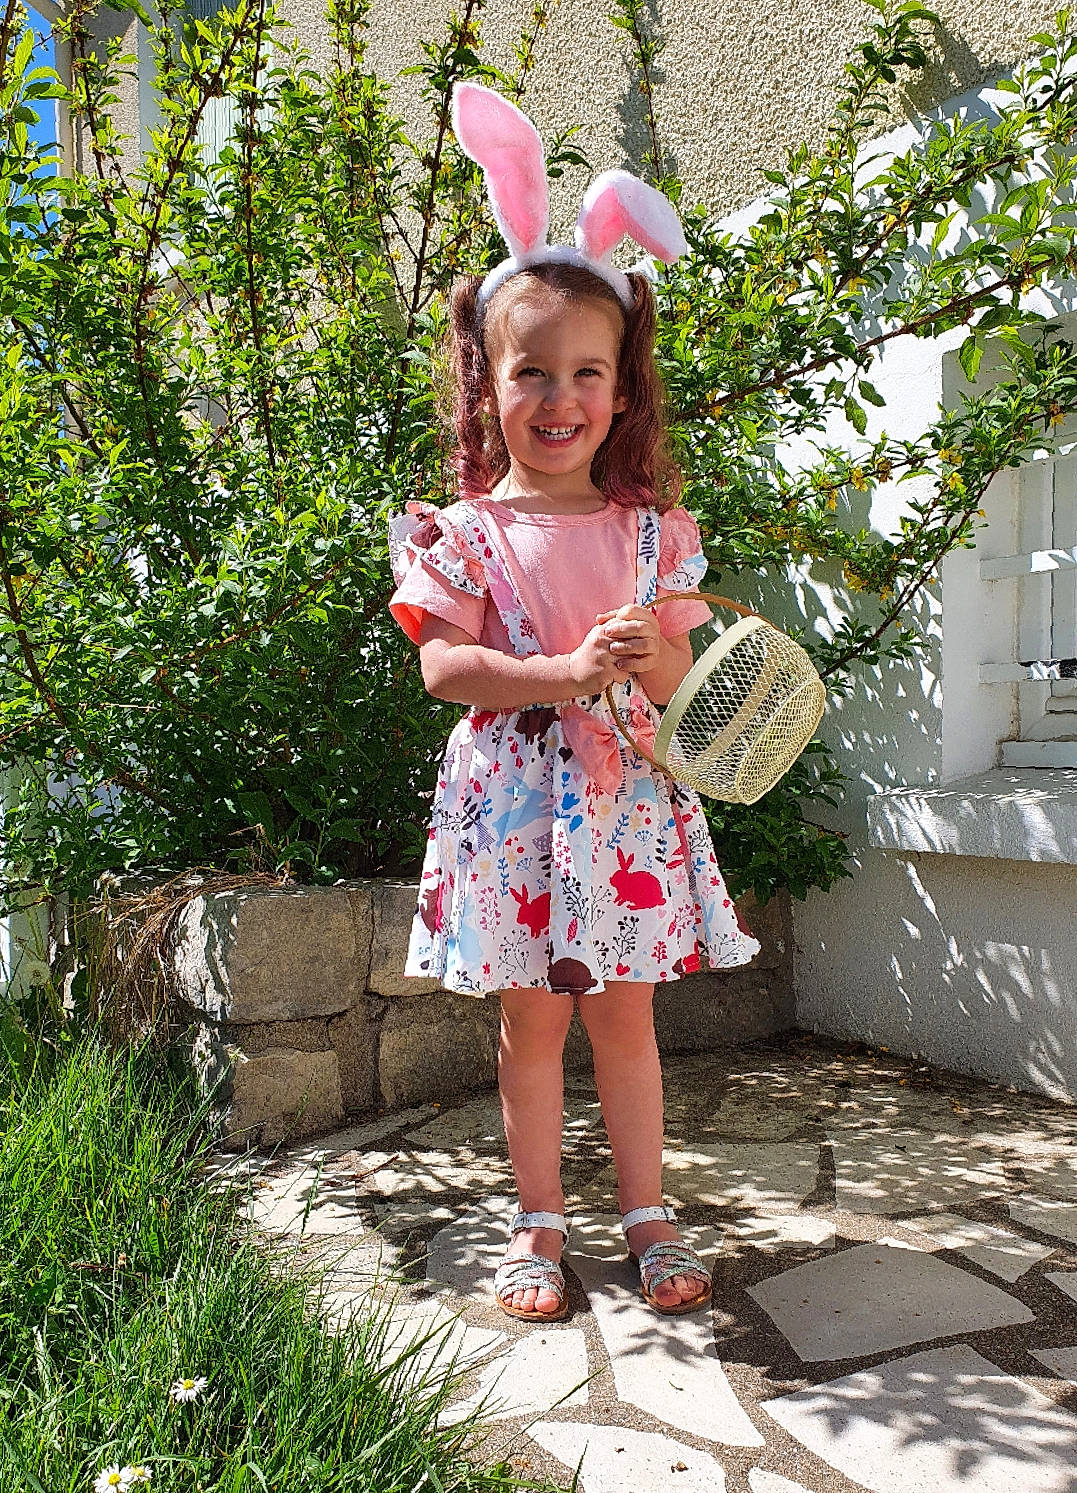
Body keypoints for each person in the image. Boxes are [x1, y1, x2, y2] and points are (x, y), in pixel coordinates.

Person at [388, 82, 760, 1322]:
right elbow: (448, 666)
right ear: (486, 383)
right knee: (534, 1030)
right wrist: (560, 673)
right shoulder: (463, 533)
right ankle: (538, 1224)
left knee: (628, 1025)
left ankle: (648, 1214)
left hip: (632, 815)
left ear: (621, 385)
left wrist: (646, 648)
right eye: (530, 369)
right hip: (516, 818)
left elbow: (687, 686)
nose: (560, 397)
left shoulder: (656, 535)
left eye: (586, 371)